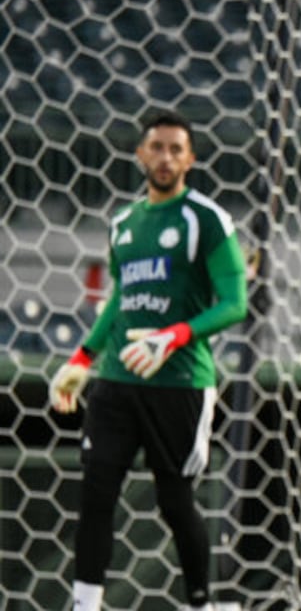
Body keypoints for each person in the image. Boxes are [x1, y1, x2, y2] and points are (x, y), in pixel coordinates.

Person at [48, 111, 248, 611]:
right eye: (156, 147)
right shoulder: (124, 224)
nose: (165, 157)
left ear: (191, 159)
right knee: (96, 491)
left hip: (179, 383)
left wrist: (172, 337)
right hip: (117, 380)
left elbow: (235, 303)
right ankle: (85, 602)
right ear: (140, 153)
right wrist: (82, 356)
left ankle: (202, 603)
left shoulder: (206, 219)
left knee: (176, 503)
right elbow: (120, 298)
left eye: (176, 149)